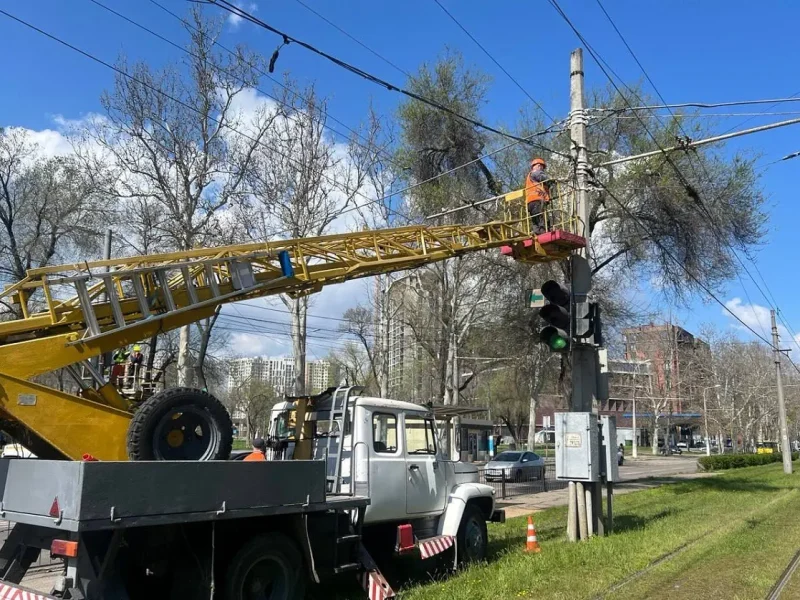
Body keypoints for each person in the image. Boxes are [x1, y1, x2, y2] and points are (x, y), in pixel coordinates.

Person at [525, 157, 551, 234]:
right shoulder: (535, 173)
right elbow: (543, 177)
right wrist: (551, 181)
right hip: (537, 199)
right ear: (537, 166)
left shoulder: (530, 177)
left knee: (535, 220)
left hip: (530, 202)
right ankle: (543, 233)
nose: (542, 168)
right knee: (541, 218)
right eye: (541, 166)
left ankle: (537, 233)